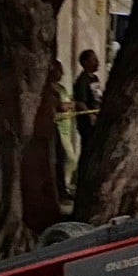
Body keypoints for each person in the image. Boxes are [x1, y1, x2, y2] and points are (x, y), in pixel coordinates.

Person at [73, 49, 103, 175]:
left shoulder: (95, 79)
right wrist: (90, 115)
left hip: (97, 118)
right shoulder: (82, 80)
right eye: (93, 60)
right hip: (87, 122)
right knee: (87, 150)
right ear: (85, 62)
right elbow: (80, 102)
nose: (97, 62)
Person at [52, 60, 77, 199]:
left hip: (67, 128)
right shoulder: (50, 89)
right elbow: (61, 106)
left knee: (69, 158)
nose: (62, 73)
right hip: (59, 128)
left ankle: (64, 186)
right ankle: (64, 185)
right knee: (70, 158)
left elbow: (69, 104)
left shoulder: (61, 88)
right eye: (59, 70)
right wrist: (67, 106)